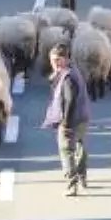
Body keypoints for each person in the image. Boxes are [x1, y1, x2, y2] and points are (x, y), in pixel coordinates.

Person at [41, 43, 93, 196]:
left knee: (66, 150)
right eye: (52, 60)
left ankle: (72, 183)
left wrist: (66, 122)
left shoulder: (67, 77)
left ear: (65, 58)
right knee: (80, 146)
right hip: (83, 116)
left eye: (58, 60)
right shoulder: (73, 70)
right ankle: (82, 176)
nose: (55, 63)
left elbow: (70, 99)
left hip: (71, 119)